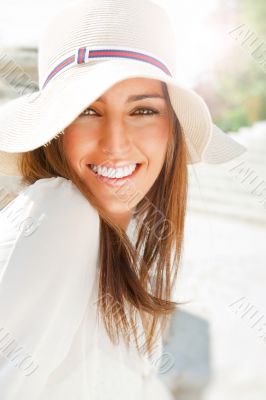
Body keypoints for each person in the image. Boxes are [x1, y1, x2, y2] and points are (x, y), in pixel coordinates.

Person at [0, 0, 247, 399]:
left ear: (172, 130)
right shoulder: (63, 218)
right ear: (56, 129)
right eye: (87, 110)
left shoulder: (122, 232)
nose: (115, 145)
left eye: (143, 110)